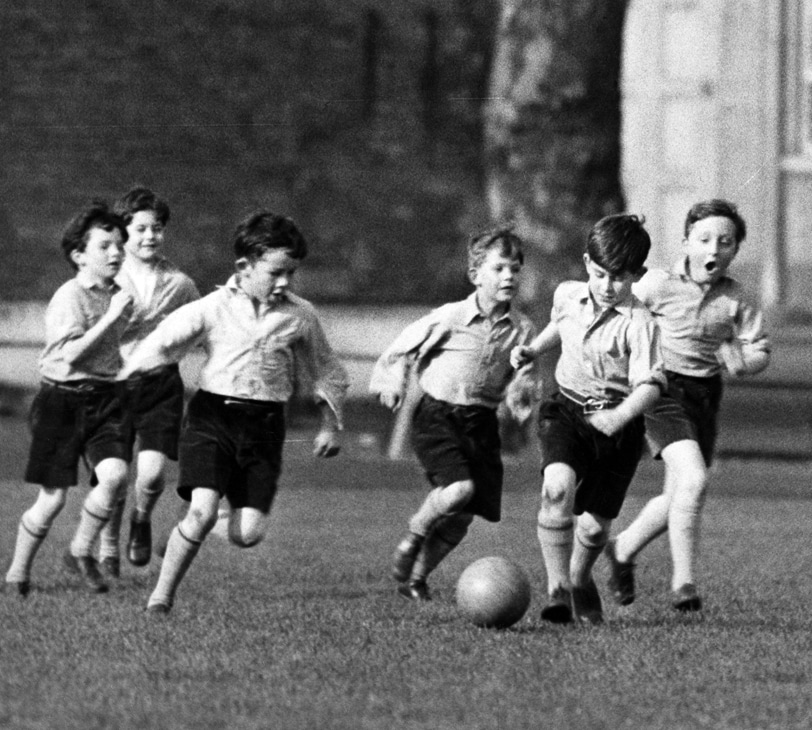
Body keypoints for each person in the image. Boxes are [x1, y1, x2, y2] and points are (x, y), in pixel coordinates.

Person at [119, 211, 349, 614]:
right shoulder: (212, 307)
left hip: (264, 428)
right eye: (276, 273)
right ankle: (162, 596)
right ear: (244, 267)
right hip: (212, 418)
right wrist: (127, 376)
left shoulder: (300, 315)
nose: (284, 283)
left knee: (248, 534)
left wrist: (330, 423)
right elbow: (162, 342)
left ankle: (191, 522)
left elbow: (327, 369)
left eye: (291, 274)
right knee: (203, 511)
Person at [603, 199, 770, 612]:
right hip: (661, 391)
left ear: (735, 250)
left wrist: (745, 362)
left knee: (680, 492)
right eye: (704, 239)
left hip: (704, 396)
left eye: (725, 242)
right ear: (686, 242)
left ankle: (621, 549)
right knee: (694, 481)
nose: (714, 249)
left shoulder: (737, 299)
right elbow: (618, 312)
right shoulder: (657, 284)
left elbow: (760, 349)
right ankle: (684, 583)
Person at [510, 213, 666, 625]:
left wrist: (621, 416)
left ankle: (579, 576)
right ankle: (557, 588)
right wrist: (532, 350)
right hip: (566, 410)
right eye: (599, 274)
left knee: (595, 530)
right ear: (586, 264)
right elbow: (559, 327)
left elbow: (651, 386)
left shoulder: (640, 324)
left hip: (619, 427)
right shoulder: (567, 295)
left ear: (637, 274)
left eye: (619, 277)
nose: (608, 286)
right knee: (557, 488)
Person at [370, 227, 539, 601]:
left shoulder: (524, 329)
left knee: (462, 517)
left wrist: (520, 396)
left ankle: (415, 578)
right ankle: (414, 535)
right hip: (438, 417)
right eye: (499, 269)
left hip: (481, 425)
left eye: (515, 268)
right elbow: (400, 349)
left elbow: (525, 376)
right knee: (458, 490)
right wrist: (391, 382)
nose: (509, 276)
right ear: (476, 275)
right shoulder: (450, 317)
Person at [4, 201, 134, 596]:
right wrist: (112, 317)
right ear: (79, 256)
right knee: (53, 498)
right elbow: (72, 354)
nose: (116, 252)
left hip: (106, 399)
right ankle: (17, 574)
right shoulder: (69, 297)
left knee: (114, 476)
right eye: (105, 246)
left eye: (119, 245)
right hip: (61, 401)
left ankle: (80, 550)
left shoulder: (119, 295)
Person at [95, 187, 200, 578]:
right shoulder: (106, 276)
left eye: (157, 228)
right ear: (123, 231)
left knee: (152, 473)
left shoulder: (180, 283)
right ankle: (107, 545)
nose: (150, 236)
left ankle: (141, 518)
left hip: (160, 386)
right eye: (140, 228)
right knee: (113, 474)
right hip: (112, 386)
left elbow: (203, 325)